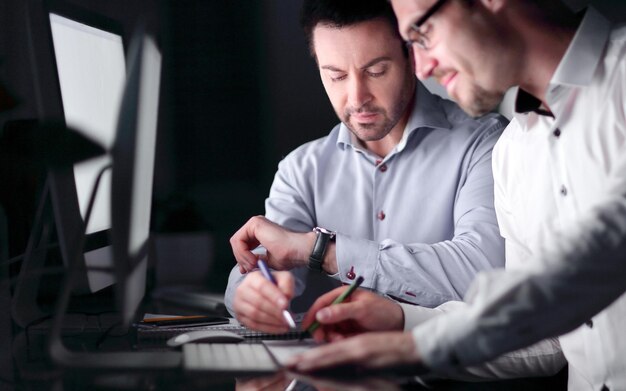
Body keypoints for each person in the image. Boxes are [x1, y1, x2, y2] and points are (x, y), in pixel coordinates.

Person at [286, 1, 626, 389]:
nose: (422, 65)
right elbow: (543, 337)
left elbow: (602, 252)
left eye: (423, 34)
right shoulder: (514, 150)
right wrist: (400, 325)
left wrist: (414, 349)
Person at [226, 0, 508, 334]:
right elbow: (261, 266)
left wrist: (323, 252)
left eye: (375, 71)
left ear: (411, 55)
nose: (357, 97)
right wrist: (251, 294)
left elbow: (483, 276)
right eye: (337, 76)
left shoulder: (486, 144)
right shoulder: (300, 169)